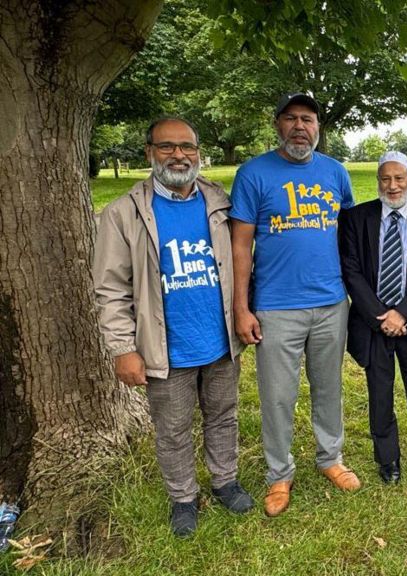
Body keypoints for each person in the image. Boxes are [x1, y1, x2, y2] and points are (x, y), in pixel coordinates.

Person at [94, 117, 253, 537]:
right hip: (164, 346)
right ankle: (183, 497)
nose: (179, 155)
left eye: (187, 147)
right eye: (167, 147)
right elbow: (109, 289)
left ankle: (225, 481)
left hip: (220, 339)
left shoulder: (219, 203)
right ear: (149, 153)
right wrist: (122, 348)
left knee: (223, 416)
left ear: (199, 152)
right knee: (173, 428)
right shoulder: (123, 214)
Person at [230, 92, 358, 517]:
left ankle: (330, 459)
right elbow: (240, 245)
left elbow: (349, 237)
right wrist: (242, 308)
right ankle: (278, 474)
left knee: (328, 388)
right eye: (291, 119)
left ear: (318, 127)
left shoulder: (336, 173)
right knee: (278, 395)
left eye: (308, 119)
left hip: (331, 302)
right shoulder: (253, 174)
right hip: (276, 306)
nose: (300, 126)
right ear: (277, 125)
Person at [340, 151, 407, 486]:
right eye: (386, 178)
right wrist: (380, 316)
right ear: (377, 181)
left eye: (399, 178)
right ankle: (388, 461)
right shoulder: (357, 218)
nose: (393, 185)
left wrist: (403, 313)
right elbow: (352, 272)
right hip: (374, 326)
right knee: (380, 396)